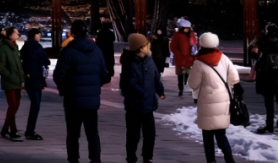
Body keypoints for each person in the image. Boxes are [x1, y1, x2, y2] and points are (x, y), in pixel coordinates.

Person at [53, 20, 111, 163]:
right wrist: (94, 87)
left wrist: (64, 90)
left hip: (73, 100)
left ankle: (74, 159)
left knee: (73, 134)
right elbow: (104, 74)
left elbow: (59, 75)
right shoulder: (96, 50)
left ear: (73, 33)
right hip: (92, 101)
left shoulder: (68, 51)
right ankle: (95, 159)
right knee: (93, 133)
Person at [188, 32, 239, 163]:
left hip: (207, 102)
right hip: (223, 100)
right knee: (221, 134)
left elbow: (193, 84)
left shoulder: (199, 62)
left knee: (207, 135)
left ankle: (211, 160)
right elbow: (235, 78)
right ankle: (229, 158)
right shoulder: (224, 58)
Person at [120, 33, 165, 163]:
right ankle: (131, 157)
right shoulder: (129, 62)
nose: (148, 46)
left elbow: (155, 77)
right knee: (133, 134)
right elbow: (128, 84)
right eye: (145, 45)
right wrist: (142, 93)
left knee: (150, 133)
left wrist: (160, 91)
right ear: (138, 47)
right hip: (134, 105)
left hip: (148, 104)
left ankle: (147, 157)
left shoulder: (149, 60)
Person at [251, 24, 278, 134]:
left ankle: (269, 125)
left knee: (269, 103)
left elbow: (257, 58)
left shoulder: (263, 43)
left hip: (267, 77)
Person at [20, 28, 50, 140]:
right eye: (38, 34)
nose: (40, 36)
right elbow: (43, 60)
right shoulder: (34, 47)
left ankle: (30, 130)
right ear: (34, 35)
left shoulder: (29, 47)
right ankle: (30, 131)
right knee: (36, 105)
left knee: (35, 105)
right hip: (34, 78)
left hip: (34, 78)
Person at [0, 27, 25, 141]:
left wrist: (21, 78)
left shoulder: (15, 46)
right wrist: (10, 76)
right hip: (9, 81)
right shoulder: (4, 48)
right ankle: (13, 130)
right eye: (16, 33)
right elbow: (0, 65)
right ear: (10, 35)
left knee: (16, 106)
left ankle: (4, 129)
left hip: (17, 81)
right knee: (13, 106)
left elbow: (19, 64)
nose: (18, 34)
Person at [170, 19, 197, 97]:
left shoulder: (191, 34)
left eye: (188, 28)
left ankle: (186, 85)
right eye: (185, 28)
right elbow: (173, 46)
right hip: (180, 58)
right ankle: (181, 89)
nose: (187, 29)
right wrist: (178, 53)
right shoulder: (177, 35)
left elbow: (195, 44)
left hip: (189, 58)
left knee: (188, 73)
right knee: (180, 75)